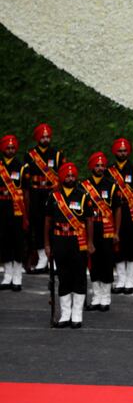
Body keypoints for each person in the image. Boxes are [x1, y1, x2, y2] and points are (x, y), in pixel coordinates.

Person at [44, 162, 93, 328]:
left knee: (79, 276)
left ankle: (77, 314)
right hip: (59, 241)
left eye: (73, 176)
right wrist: (47, 244)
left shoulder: (83, 195)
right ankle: (65, 313)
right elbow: (48, 222)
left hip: (78, 241)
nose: (71, 178)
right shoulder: (53, 197)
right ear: (62, 177)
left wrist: (90, 242)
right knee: (63, 277)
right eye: (68, 175)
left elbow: (89, 221)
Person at [23, 123, 66, 273]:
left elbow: (62, 177)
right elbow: (26, 180)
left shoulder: (57, 154)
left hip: (51, 194)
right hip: (36, 194)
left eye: (48, 137)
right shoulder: (30, 155)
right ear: (37, 138)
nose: (46, 139)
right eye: (43, 137)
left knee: (53, 225)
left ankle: (53, 259)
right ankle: (42, 257)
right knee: (37, 224)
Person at [82, 152, 119, 312]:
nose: (100, 168)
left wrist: (117, 232)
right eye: (97, 165)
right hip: (90, 231)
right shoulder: (83, 186)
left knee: (106, 263)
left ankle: (106, 297)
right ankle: (96, 296)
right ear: (91, 167)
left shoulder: (111, 186)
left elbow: (117, 210)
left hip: (107, 232)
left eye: (102, 165)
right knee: (93, 263)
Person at [108, 138, 133, 295]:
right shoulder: (109, 170)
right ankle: (120, 280)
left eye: (125, 150)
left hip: (131, 213)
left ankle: (130, 281)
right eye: (120, 151)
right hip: (115, 214)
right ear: (115, 152)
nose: (122, 153)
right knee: (118, 247)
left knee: (132, 247)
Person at [0, 135, 26, 291]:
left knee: (17, 243)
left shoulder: (21, 167)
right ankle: (7, 275)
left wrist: (26, 215)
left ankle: (17, 277)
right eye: (8, 148)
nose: (10, 150)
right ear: (3, 149)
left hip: (17, 210)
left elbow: (26, 192)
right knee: (4, 242)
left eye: (13, 148)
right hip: (2, 209)